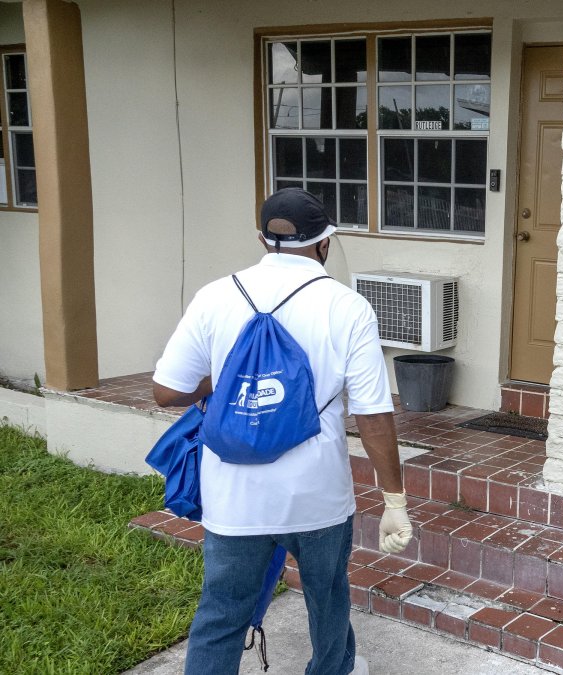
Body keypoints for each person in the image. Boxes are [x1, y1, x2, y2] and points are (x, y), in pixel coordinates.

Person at [152, 188, 413, 675]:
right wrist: (394, 501)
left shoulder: (215, 295)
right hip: (317, 496)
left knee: (221, 613)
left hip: (234, 496)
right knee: (328, 598)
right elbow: (374, 413)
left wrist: (229, 378)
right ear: (325, 243)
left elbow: (167, 391)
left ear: (261, 238)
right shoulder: (347, 306)